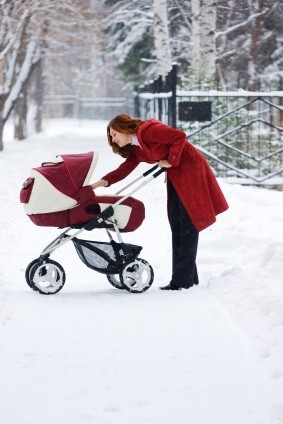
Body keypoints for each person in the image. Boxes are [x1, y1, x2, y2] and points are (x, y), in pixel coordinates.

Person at [91, 114, 229, 291]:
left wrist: (171, 159)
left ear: (124, 128)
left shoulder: (148, 131)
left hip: (190, 170)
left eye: (114, 134)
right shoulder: (137, 148)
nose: (113, 140)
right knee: (177, 224)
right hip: (176, 174)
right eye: (111, 137)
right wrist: (100, 183)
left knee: (187, 224)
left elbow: (179, 136)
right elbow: (123, 170)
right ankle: (188, 278)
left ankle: (182, 282)